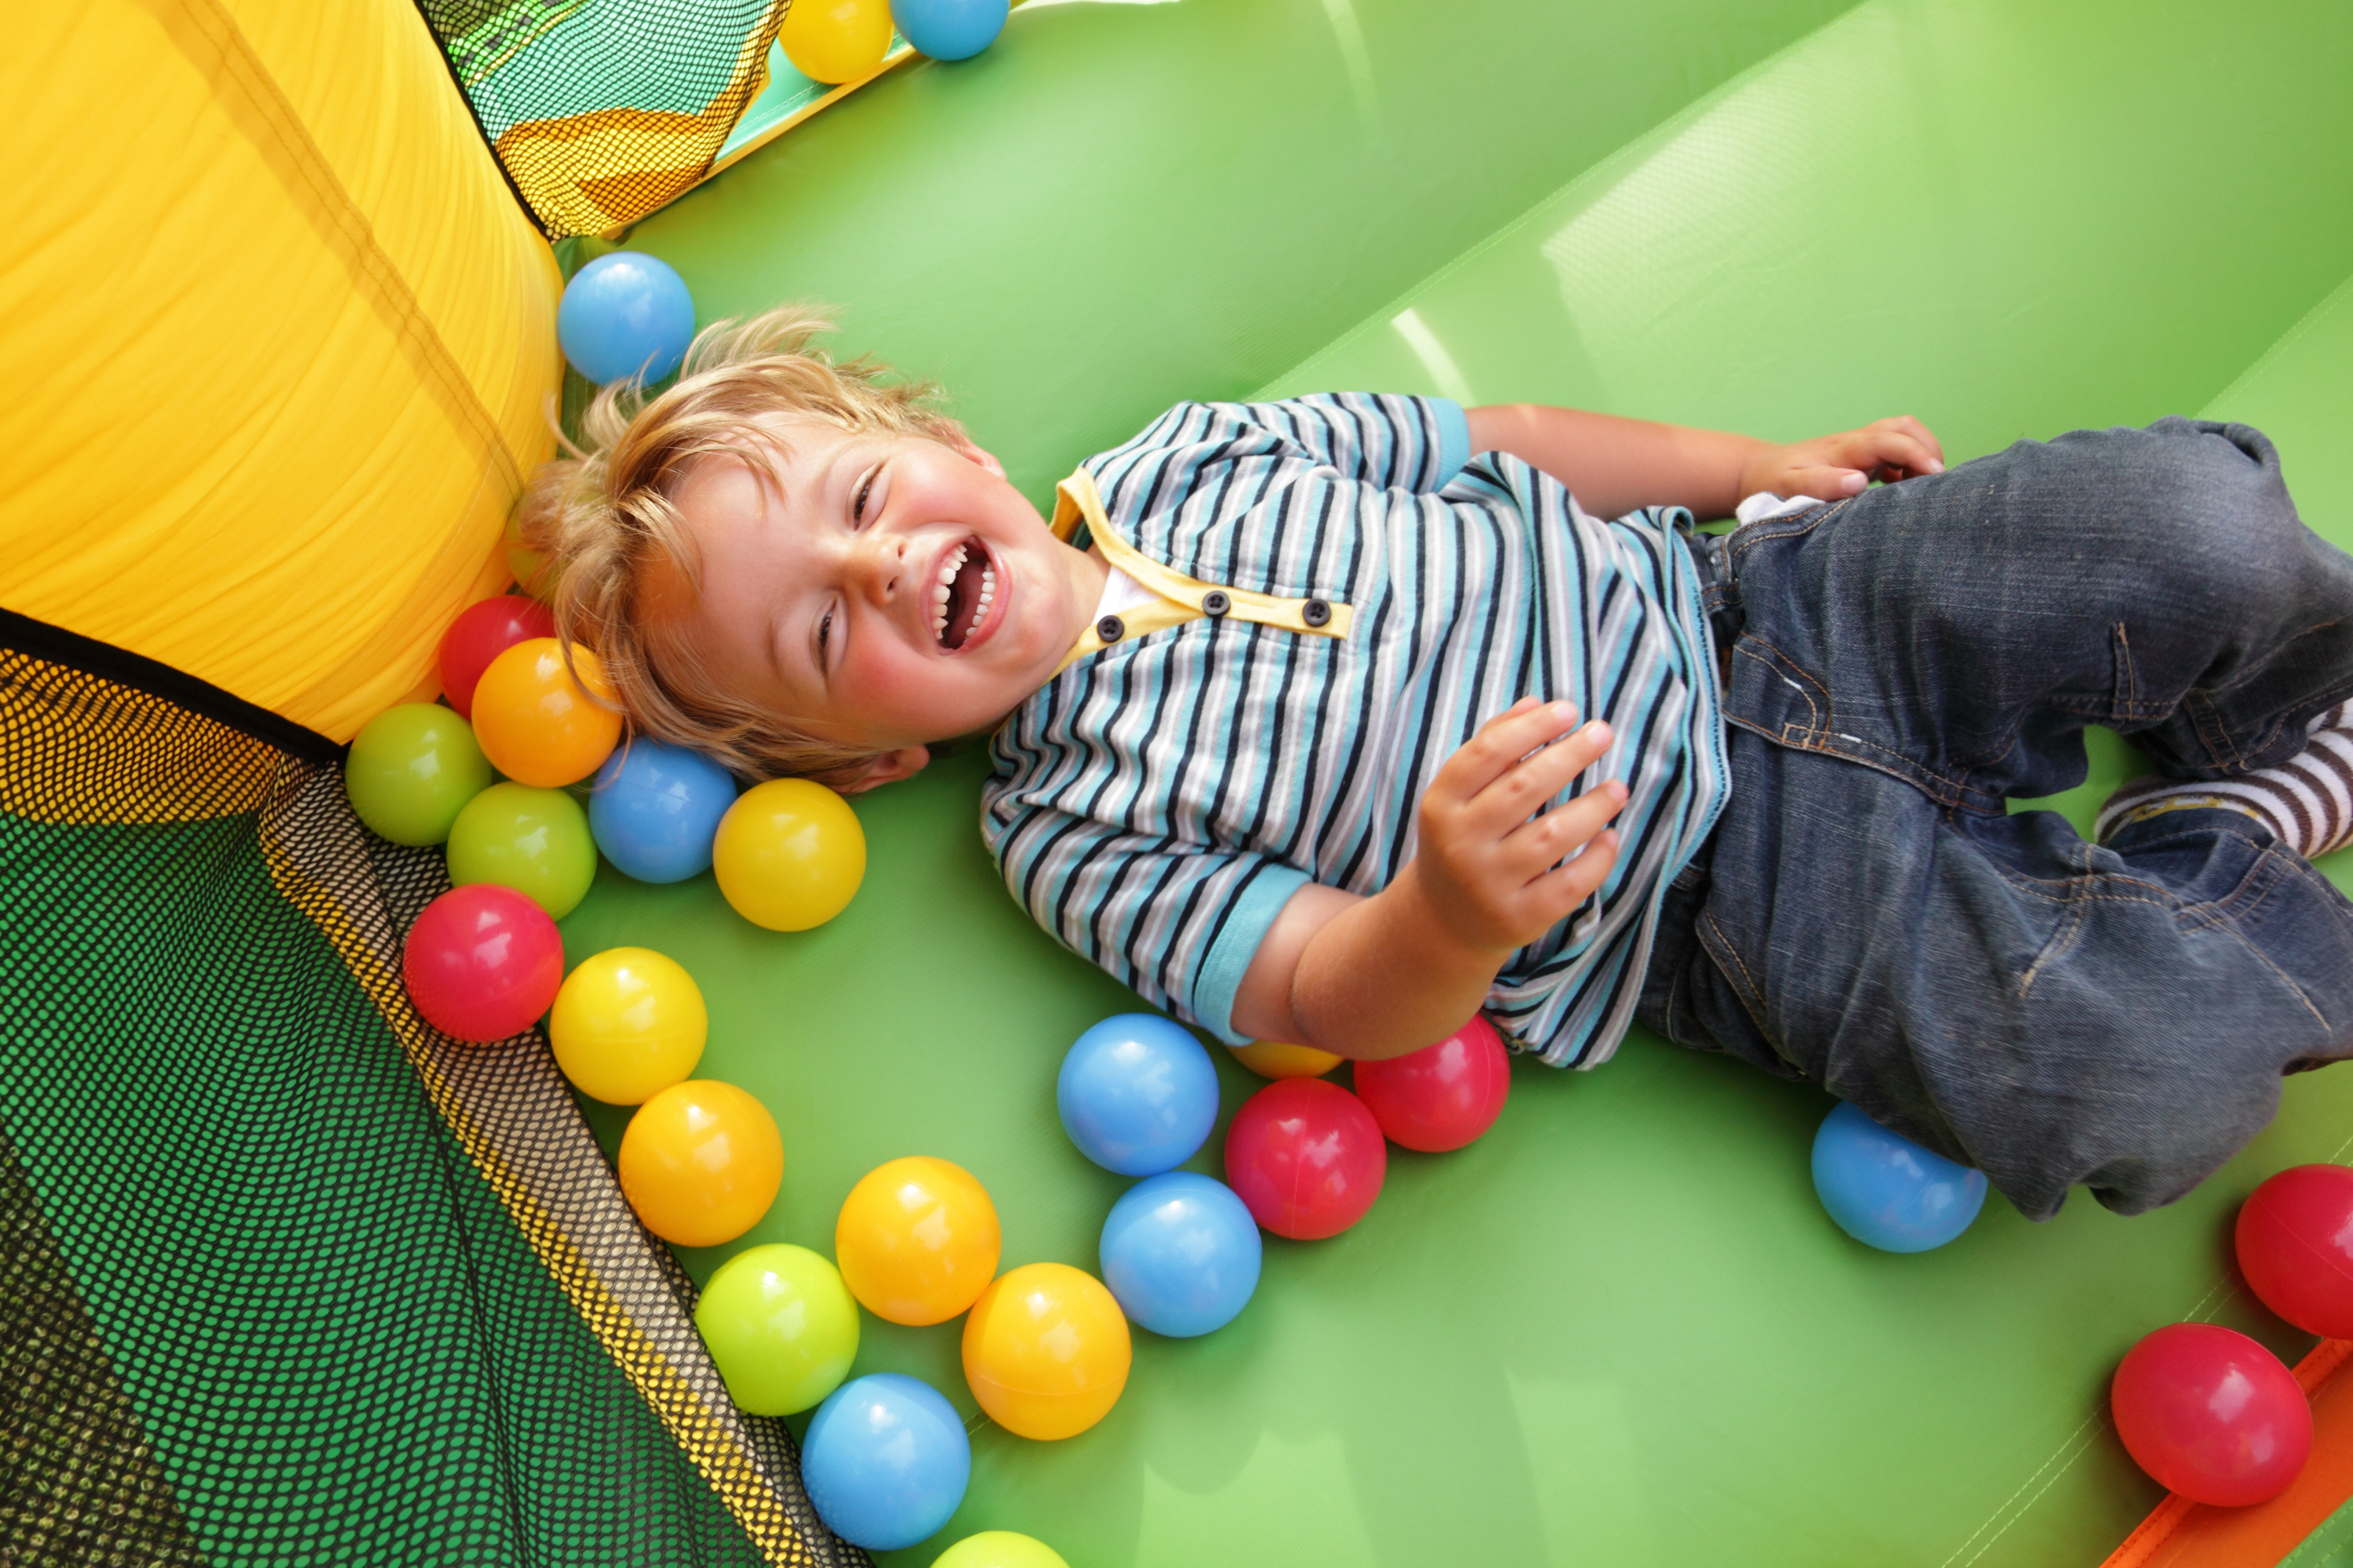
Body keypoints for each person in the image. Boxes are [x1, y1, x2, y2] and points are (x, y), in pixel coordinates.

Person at [523, 307, 2353, 1219]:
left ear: (942, 444)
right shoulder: (1063, 831)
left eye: (860, 499)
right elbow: (1328, 984)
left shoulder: (1194, 455)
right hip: (1726, 908)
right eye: (823, 637)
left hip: (1777, 605)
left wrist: (1756, 468)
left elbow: (1514, 437)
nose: (876, 564)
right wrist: (1449, 909)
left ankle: (2274, 698)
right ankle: (2233, 831)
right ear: (852, 763)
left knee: (2194, 525)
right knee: (2136, 1089)